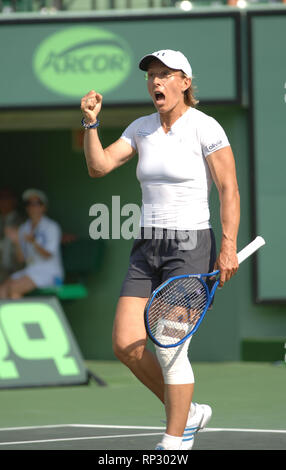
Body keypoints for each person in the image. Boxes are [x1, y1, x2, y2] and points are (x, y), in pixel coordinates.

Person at [80, 49, 240, 450]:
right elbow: (98, 166)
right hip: (147, 246)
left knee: (169, 348)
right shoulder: (140, 128)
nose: (155, 81)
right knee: (126, 344)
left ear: (184, 83)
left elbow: (228, 189)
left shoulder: (206, 127)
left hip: (190, 246)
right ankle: (190, 412)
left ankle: (175, 438)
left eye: (165, 74)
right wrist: (90, 123)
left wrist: (228, 246)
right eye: (151, 75)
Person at [0, 189, 64, 299]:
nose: (32, 207)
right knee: (2, 290)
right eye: (28, 204)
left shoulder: (51, 227)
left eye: (37, 203)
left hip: (50, 273)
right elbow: (21, 259)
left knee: (14, 289)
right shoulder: (24, 227)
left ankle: (21, 317)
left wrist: (33, 242)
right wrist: (17, 242)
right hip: (30, 271)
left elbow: (47, 255)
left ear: (44, 207)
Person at [0, 187, 23, 283]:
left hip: (18, 268)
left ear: (14, 201)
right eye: (1, 198)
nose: (2, 201)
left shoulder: (22, 220)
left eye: (6, 198)